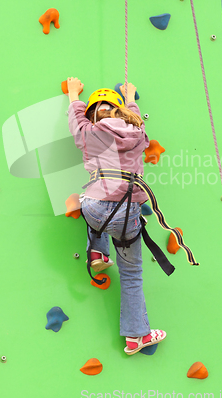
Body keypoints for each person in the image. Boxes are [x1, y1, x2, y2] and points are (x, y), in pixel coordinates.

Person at [67, 76, 166, 355]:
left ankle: (97, 253)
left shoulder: (89, 131)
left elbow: (77, 123)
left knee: (92, 196)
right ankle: (137, 337)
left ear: (93, 115)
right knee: (131, 273)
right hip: (125, 213)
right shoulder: (137, 129)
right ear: (120, 111)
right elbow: (134, 118)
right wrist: (131, 96)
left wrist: (74, 95)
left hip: (95, 208)